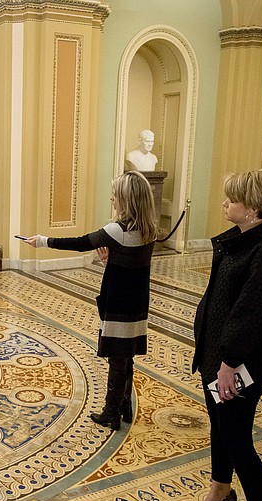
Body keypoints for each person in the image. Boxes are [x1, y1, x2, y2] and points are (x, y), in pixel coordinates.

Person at [189, 170, 262, 501]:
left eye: (231, 199)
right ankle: (220, 488)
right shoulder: (241, 239)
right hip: (216, 358)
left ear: (252, 207)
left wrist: (229, 363)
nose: (224, 203)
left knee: (238, 441)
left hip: (238, 365)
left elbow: (251, 314)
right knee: (220, 429)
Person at [23, 171, 158, 430]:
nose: (112, 199)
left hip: (118, 300)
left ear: (127, 200)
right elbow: (131, 263)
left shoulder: (115, 231)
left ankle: (111, 412)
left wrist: (42, 241)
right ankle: (124, 405)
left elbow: (80, 242)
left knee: (117, 359)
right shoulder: (150, 230)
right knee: (126, 356)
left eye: (116, 195)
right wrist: (111, 260)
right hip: (137, 301)